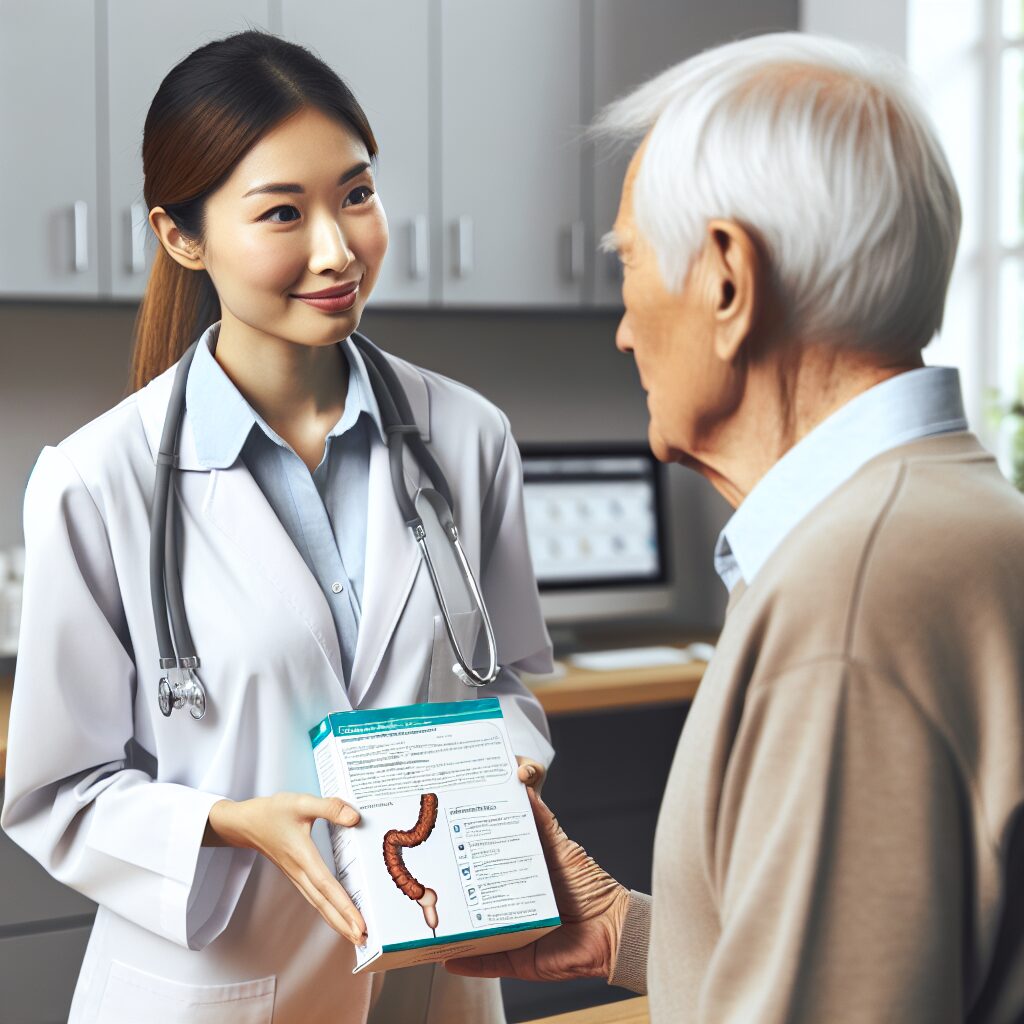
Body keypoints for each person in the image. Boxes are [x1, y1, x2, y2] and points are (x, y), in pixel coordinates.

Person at [447, 31, 1024, 1023]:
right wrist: (623, 931)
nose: (623, 328)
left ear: (724, 278)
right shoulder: (952, 519)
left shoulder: (849, 598)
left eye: (628, 263)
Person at [0, 30, 552, 1024]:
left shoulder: (469, 438)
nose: (339, 248)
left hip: (436, 980)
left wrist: (505, 759)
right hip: (216, 994)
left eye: (356, 194)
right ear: (182, 236)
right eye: (283, 213)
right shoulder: (95, 481)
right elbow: (59, 790)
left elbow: (504, 678)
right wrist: (227, 822)